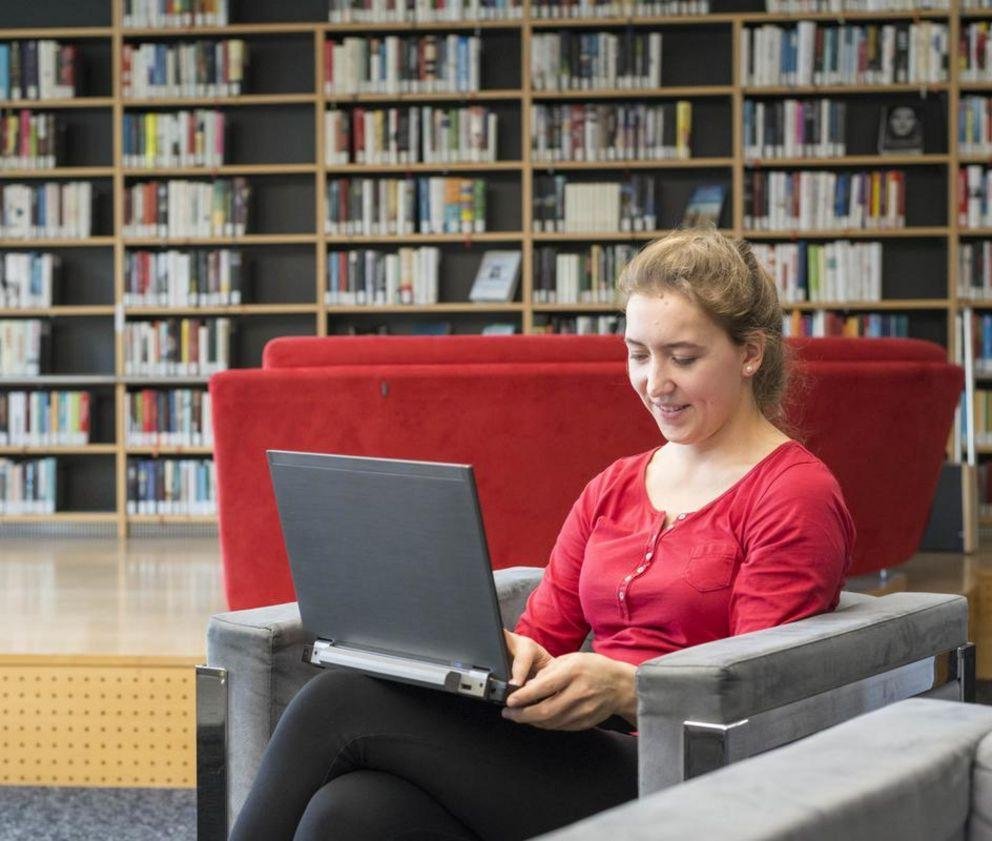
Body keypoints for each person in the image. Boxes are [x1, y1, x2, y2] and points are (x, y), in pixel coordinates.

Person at [229, 227, 855, 841]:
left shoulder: (792, 494)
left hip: (689, 773)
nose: (654, 383)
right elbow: (541, 638)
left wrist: (628, 690)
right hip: (584, 753)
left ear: (750, 353)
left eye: (683, 358)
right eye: (638, 354)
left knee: (338, 704)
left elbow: (761, 699)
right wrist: (499, 659)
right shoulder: (614, 486)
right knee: (354, 811)